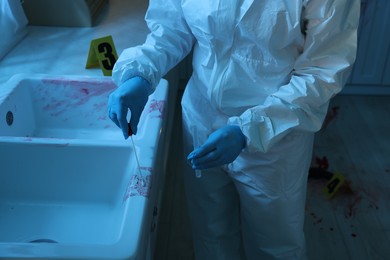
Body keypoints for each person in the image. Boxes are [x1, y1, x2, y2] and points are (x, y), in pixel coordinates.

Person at [108, 0, 360, 259]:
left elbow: (322, 71)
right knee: (210, 231)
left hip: (275, 134)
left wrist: (250, 129)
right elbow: (172, 28)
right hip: (201, 120)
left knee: (274, 244)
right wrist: (140, 72)